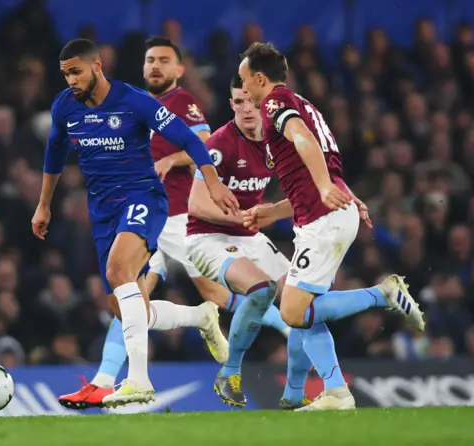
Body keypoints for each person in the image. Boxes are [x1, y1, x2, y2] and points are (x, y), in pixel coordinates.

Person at [57, 39, 289, 410]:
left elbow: (202, 142)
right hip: (144, 216)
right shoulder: (135, 103)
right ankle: (109, 376)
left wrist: (171, 161)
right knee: (128, 302)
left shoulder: (183, 103)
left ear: (179, 70)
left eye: (164, 61)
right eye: (150, 60)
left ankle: (286, 325)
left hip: (177, 215)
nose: (155, 66)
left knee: (211, 292)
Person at [238, 42, 425, 411]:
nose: (243, 89)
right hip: (328, 213)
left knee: (292, 311)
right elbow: (312, 169)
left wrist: (326, 187)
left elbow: (305, 143)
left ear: (260, 78)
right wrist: (273, 212)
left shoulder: (274, 104)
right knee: (304, 309)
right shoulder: (304, 103)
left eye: (244, 81)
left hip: (323, 219)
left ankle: (382, 294)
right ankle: (332, 391)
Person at [184, 75, 294, 407]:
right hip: (209, 237)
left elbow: (301, 189)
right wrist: (243, 217)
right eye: (239, 102)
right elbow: (197, 204)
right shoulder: (218, 145)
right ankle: (229, 373)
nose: (247, 109)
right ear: (231, 104)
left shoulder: (278, 141)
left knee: (305, 303)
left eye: (253, 102)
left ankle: (312, 391)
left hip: (251, 235)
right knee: (262, 289)